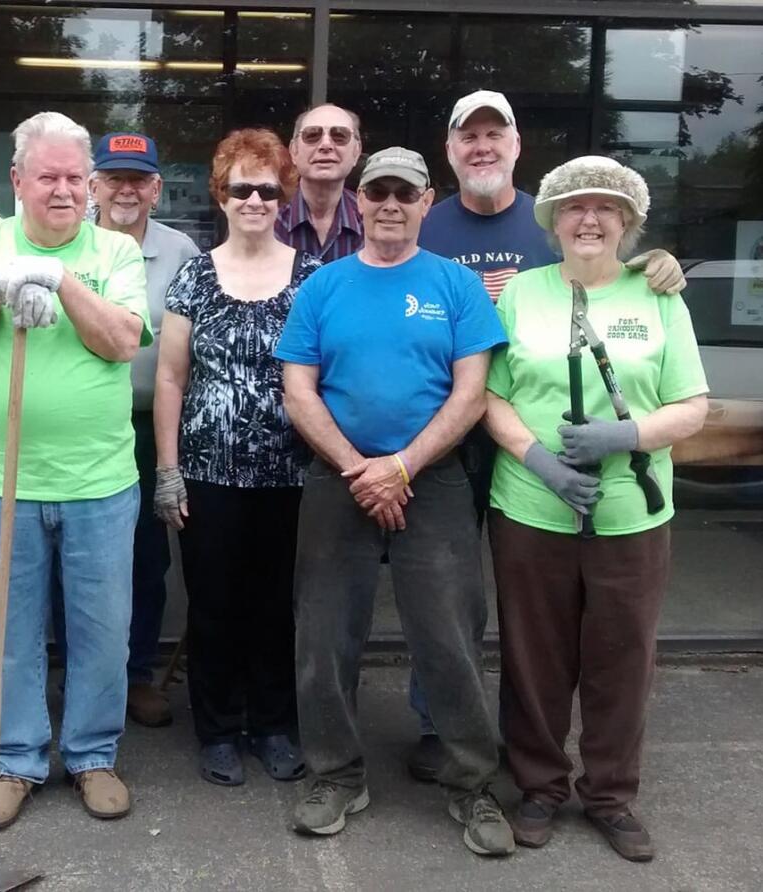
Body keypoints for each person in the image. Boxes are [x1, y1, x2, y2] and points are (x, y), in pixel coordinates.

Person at [405, 89, 690, 783]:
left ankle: (587, 776)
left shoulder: (551, 222)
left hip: (530, 450)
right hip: (448, 439)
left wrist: (662, 264)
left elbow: (612, 265)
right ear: (450, 150)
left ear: (514, 144)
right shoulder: (424, 225)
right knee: (448, 598)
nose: (481, 146)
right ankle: (446, 731)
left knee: (573, 632)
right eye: (466, 136)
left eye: (493, 134)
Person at [276, 147, 514, 856]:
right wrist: (360, 469)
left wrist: (402, 467)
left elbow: (472, 393)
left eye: (403, 194)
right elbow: (298, 390)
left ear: (424, 200)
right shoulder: (323, 287)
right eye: (375, 191)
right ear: (357, 198)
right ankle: (336, 775)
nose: (388, 204)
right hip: (337, 478)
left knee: (450, 635)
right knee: (323, 635)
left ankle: (472, 783)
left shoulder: (456, 286)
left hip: (434, 478)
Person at [0, 112, 150, 829]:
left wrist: (58, 278)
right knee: (8, 631)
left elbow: (121, 341)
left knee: (101, 627)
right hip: (0, 481)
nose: (62, 190)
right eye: (46, 176)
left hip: (100, 482)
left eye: (74, 178)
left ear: (89, 185)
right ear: (16, 180)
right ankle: (14, 760)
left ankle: (91, 754)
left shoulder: (115, 250)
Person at [484, 156, 707, 861]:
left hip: (630, 517)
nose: (589, 217)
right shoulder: (521, 294)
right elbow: (490, 396)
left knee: (622, 658)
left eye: (606, 208)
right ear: (552, 221)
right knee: (533, 657)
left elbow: (693, 406)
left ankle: (610, 794)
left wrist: (629, 434)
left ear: (628, 223)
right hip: (529, 509)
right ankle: (541, 786)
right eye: (575, 207)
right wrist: (539, 461)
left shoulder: (659, 295)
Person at [154, 129, 320, 786]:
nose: (254, 199)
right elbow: (170, 377)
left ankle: (275, 725)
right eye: (241, 187)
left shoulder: (312, 277)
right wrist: (168, 471)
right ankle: (218, 729)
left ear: (284, 197)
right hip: (207, 472)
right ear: (222, 195)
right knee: (214, 604)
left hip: (290, 473)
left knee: (277, 604)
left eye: (268, 188)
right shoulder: (193, 275)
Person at [88, 131, 199, 728]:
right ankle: (79, 674)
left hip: (146, 425)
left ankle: (133, 676)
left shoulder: (181, 252)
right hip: (80, 426)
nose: (125, 190)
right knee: (75, 555)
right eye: (114, 178)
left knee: (144, 556)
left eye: (137, 179)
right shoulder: (67, 243)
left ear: (156, 188)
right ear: (94, 185)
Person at [275, 103, 363, 262]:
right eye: (312, 135)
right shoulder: (268, 219)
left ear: (356, 152)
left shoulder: (371, 221)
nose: (326, 145)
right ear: (293, 151)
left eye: (340, 136)